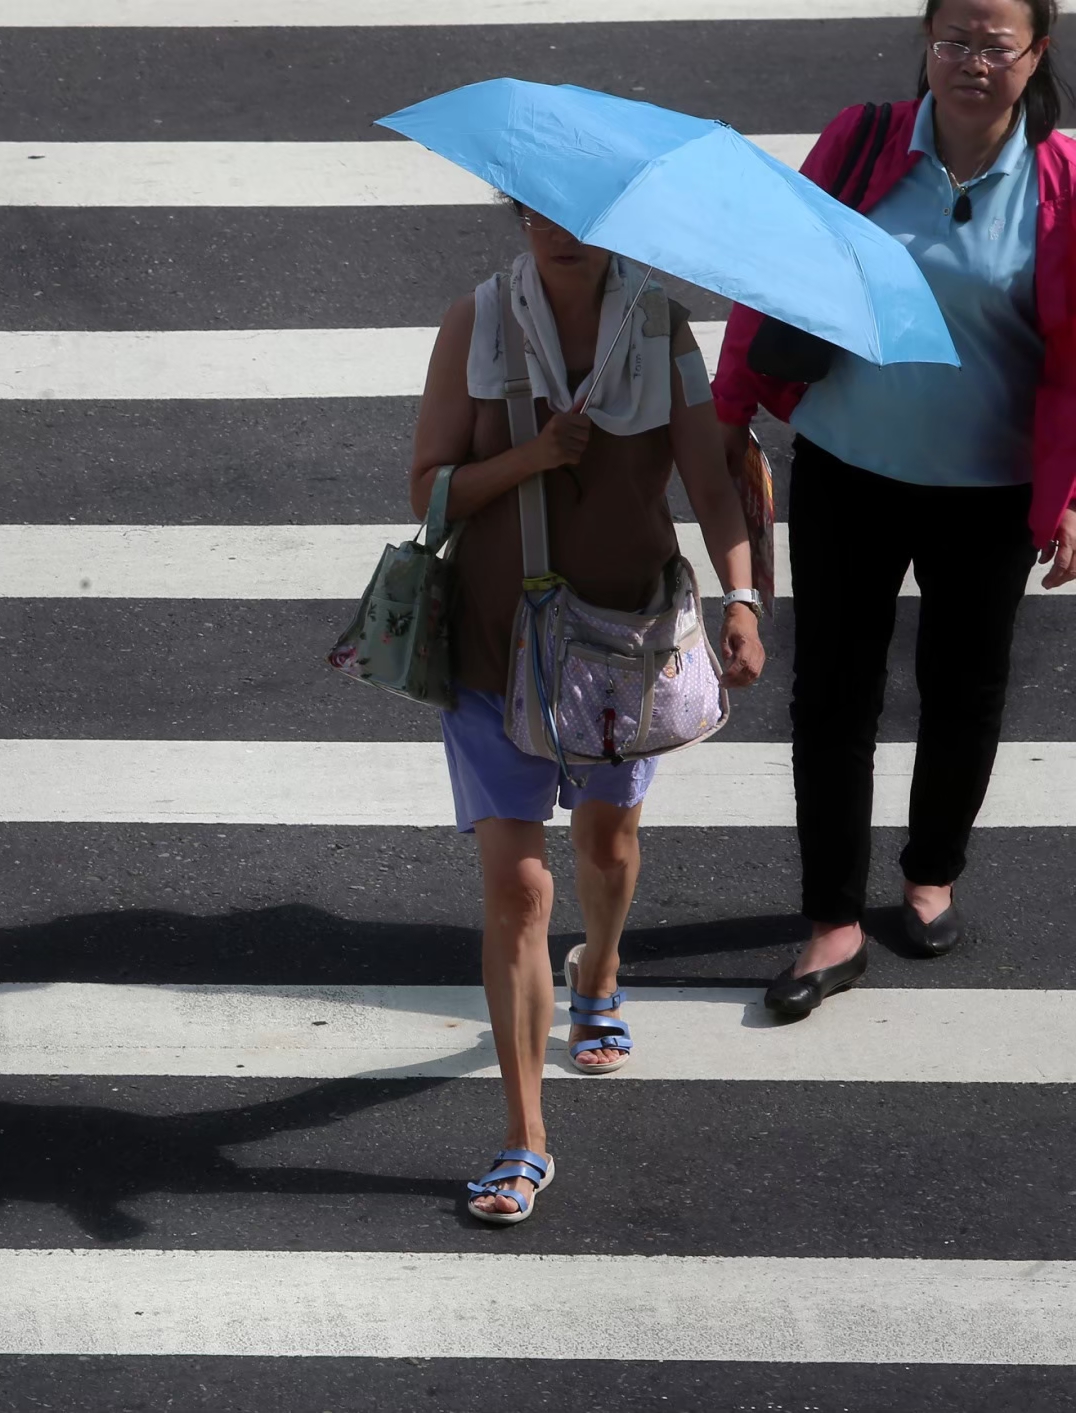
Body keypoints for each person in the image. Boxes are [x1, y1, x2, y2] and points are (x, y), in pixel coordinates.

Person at [713, 0, 1076, 1021]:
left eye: (993, 43)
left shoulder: (1059, 184)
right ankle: (829, 920)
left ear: (1034, 54)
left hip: (988, 491)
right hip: (847, 467)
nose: (968, 61)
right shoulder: (861, 140)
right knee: (831, 697)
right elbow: (774, 279)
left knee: (962, 693)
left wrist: (1068, 491)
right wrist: (729, 413)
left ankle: (929, 873)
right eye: (950, 40)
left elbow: (1074, 358)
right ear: (924, 45)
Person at [410, 208, 766, 1224]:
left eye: (585, 212)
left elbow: (708, 479)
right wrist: (532, 456)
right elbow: (424, 495)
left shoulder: (661, 334)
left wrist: (740, 599)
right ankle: (523, 1140)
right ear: (516, 213)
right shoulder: (470, 324)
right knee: (518, 890)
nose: (562, 230)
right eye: (542, 209)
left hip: (619, 650)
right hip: (490, 647)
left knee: (607, 846)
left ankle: (598, 968)